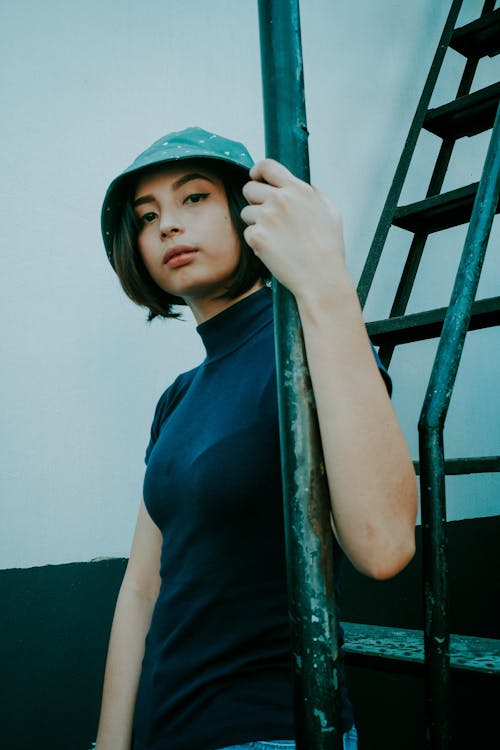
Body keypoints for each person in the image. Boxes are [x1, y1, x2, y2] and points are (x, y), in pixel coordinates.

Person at [95, 126, 417, 750]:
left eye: (194, 199)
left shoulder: (307, 348)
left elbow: (384, 546)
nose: (167, 225)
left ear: (249, 212)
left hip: (267, 731)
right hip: (166, 731)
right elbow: (142, 586)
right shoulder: (178, 398)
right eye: (148, 214)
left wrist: (324, 283)